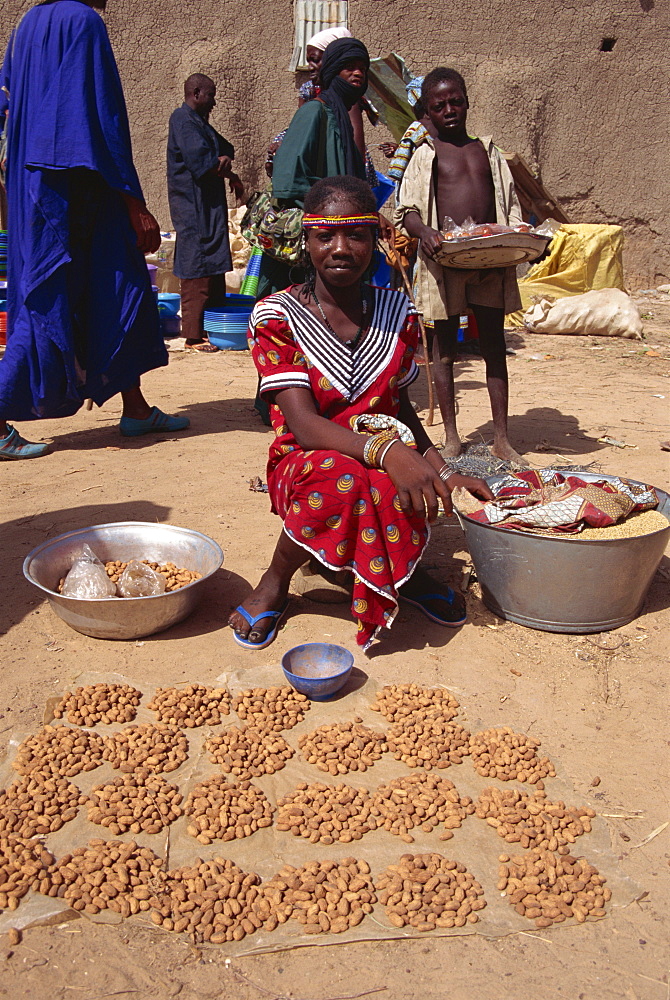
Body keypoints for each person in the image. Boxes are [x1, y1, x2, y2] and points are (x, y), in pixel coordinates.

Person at [229, 176, 492, 651]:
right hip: (307, 459)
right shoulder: (276, 317)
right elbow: (305, 426)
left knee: (402, 479)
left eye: (356, 234)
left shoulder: (399, 313)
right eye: (325, 235)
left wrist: (443, 471)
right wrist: (387, 452)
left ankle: (402, 574)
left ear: (377, 239)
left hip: (385, 448)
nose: (341, 248)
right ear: (305, 241)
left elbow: (402, 411)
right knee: (344, 476)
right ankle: (276, 577)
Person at [0, 0, 189, 459]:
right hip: (78, 188)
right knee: (53, 297)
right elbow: (97, 122)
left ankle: (136, 409)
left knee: (114, 287)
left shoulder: (28, 24)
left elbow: (7, 97)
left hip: (39, 184)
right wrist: (133, 203)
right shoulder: (83, 21)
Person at [396, 68, 525, 464]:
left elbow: (510, 205)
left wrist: (520, 234)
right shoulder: (425, 155)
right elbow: (407, 211)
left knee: (493, 345)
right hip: (444, 263)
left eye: (456, 101)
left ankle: (501, 438)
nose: (449, 110)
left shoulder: (487, 152)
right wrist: (427, 233)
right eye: (439, 105)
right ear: (428, 113)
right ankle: (451, 437)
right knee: (444, 347)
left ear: (467, 102)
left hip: (489, 260)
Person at [258, 36, 371, 299]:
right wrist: (330, 211)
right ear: (333, 70)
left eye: (362, 69)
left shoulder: (342, 118)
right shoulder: (314, 112)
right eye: (349, 67)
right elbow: (288, 179)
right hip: (313, 246)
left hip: (337, 244)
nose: (357, 73)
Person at [167, 74, 243, 353]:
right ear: (196, 93)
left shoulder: (200, 123)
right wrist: (222, 165)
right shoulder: (182, 120)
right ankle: (193, 334)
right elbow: (202, 161)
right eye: (210, 95)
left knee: (213, 261)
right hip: (192, 206)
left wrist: (227, 166)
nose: (214, 101)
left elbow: (225, 149)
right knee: (197, 263)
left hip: (208, 206)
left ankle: (213, 326)